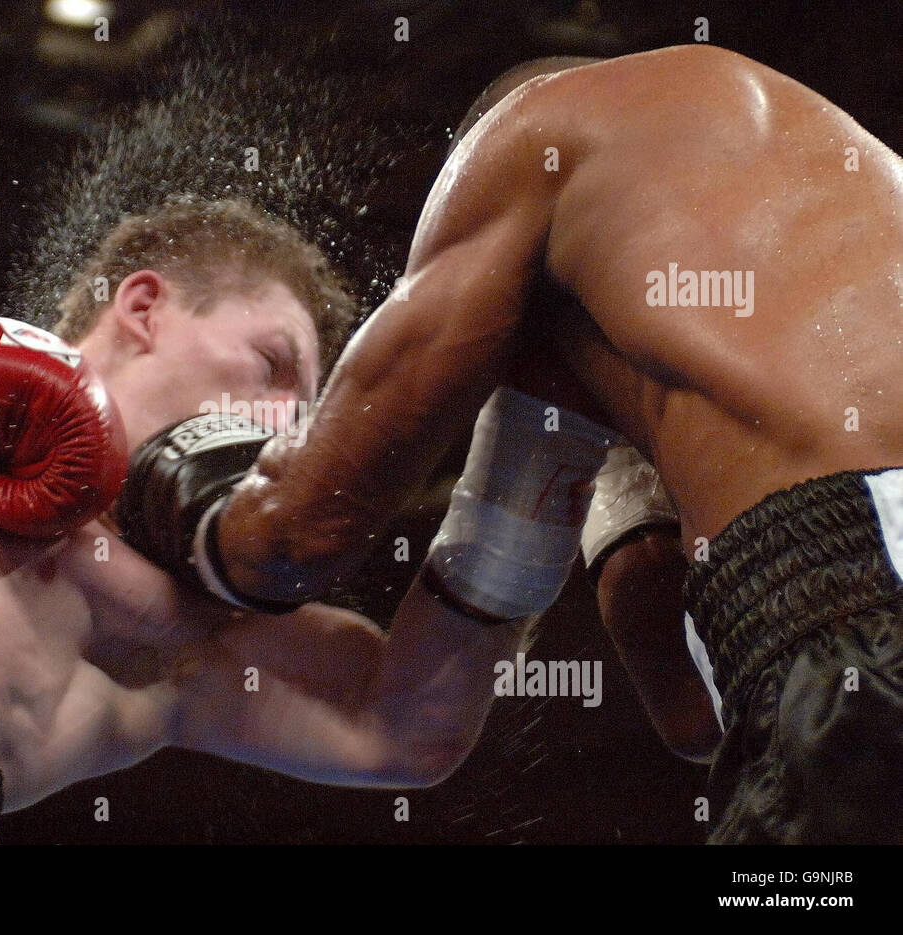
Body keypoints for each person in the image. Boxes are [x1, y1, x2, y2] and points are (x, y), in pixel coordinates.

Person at [0, 197, 611, 844]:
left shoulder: (168, 634)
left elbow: (401, 729)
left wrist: (544, 434)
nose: (285, 426)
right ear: (143, 305)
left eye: (305, 411)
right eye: (270, 366)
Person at [160, 45, 903, 843]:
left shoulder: (529, 137)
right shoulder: (831, 172)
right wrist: (610, 439)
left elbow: (300, 533)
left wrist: (162, 481)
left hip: (862, 591)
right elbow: (694, 714)